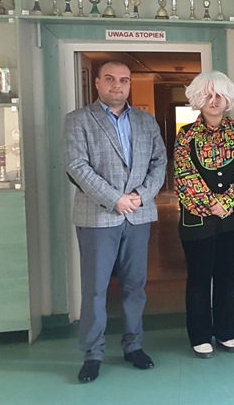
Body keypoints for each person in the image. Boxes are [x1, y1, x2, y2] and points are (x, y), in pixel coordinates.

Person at [63, 61, 167, 383]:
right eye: (109, 79)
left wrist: (140, 196)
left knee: (135, 286)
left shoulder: (146, 121)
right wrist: (114, 199)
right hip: (97, 217)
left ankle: (134, 346)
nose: (117, 85)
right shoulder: (78, 120)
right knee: (95, 289)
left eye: (124, 80)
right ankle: (93, 353)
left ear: (130, 84)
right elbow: (77, 166)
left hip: (138, 215)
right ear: (97, 83)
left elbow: (160, 162)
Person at [174, 71, 234, 359]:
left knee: (227, 275)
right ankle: (199, 335)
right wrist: (212, 203)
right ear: (198, 98)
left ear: (228, 99)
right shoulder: (185, 135)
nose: (214, 101)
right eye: (208, 95)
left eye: (219, 95)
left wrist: (229, 201)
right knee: (199, 278)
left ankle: (226, 332)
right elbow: (184, 175)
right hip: (197, 219)